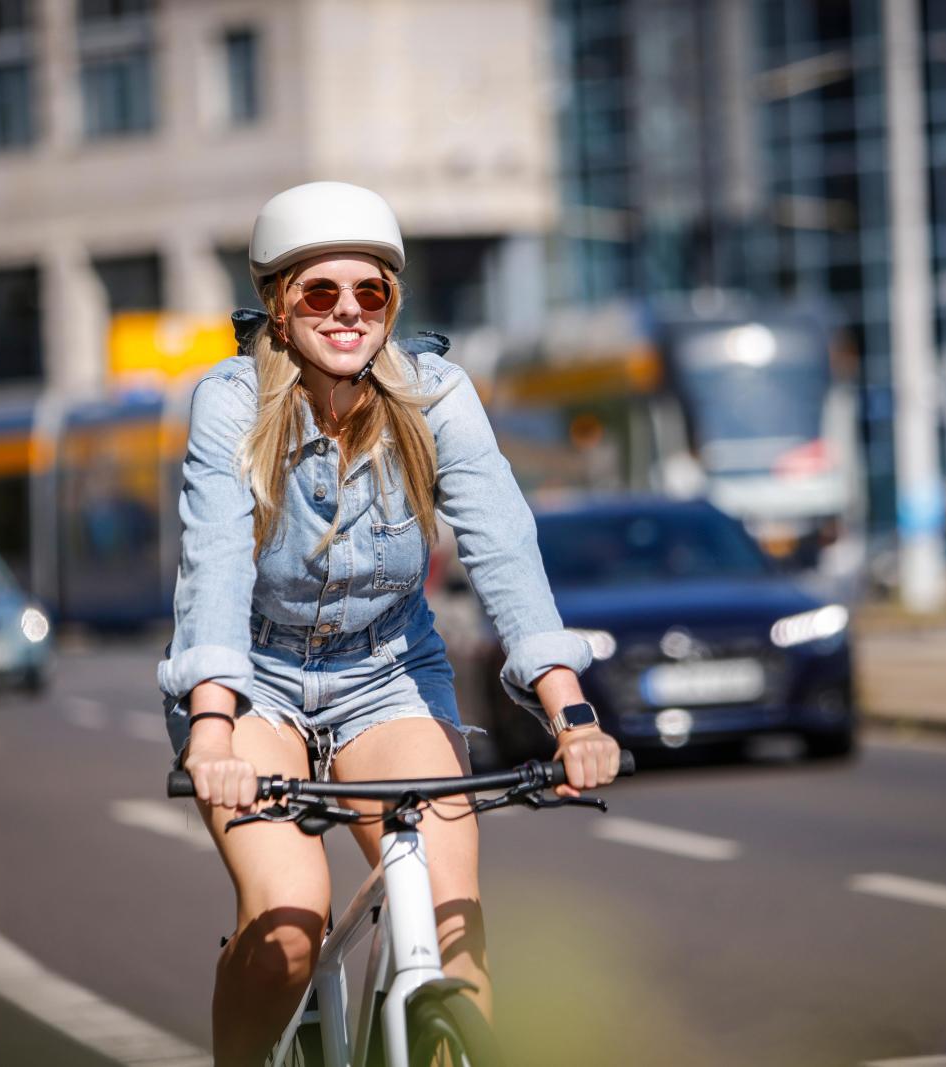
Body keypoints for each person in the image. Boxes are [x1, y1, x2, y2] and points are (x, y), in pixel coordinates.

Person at [156, 181, 621, 1063]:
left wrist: (572, 713)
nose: (347, 311)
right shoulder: (231, 401)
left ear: (391, 302)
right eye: (319, 292)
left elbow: (504, 547)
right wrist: (211, 729)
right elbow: (213, 563)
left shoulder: (437, 396)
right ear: (278, 306)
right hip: (255, 682)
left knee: (452, 931)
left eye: (369, 291)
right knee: (290, 922)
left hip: (391, 673)